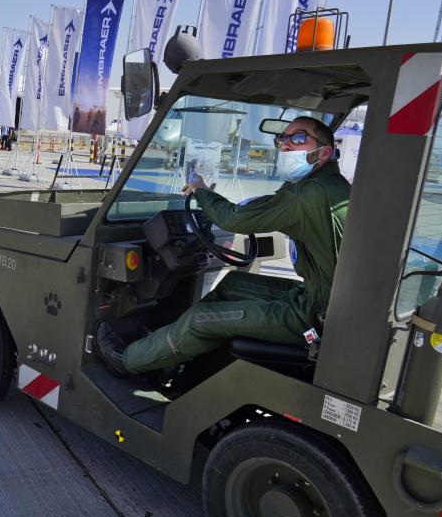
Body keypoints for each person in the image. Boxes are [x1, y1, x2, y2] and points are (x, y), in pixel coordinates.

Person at [96, 117, 351, 377]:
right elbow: (266, 207)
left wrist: (200, 190)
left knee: (199, 319)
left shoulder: (309, 195)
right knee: (233, 284)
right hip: (322, 301)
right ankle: (171, 351)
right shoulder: (330, 187)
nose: (285, 145)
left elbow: (233, 219)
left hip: (313, 316)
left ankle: (126, 360)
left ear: (325, 151)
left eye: (298, 138)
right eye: (282, 139)